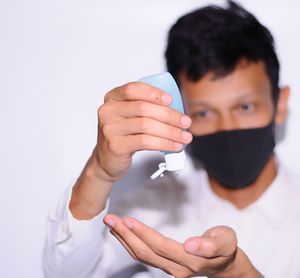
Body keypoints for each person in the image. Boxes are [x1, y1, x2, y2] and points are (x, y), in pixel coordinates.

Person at [43, 1, 300, 277]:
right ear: (179, 114)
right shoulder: (150, 211)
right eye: (203, 113)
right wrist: (99, 171)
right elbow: (65, 273)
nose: (227, 128)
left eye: (245, 107)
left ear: (280, 104)